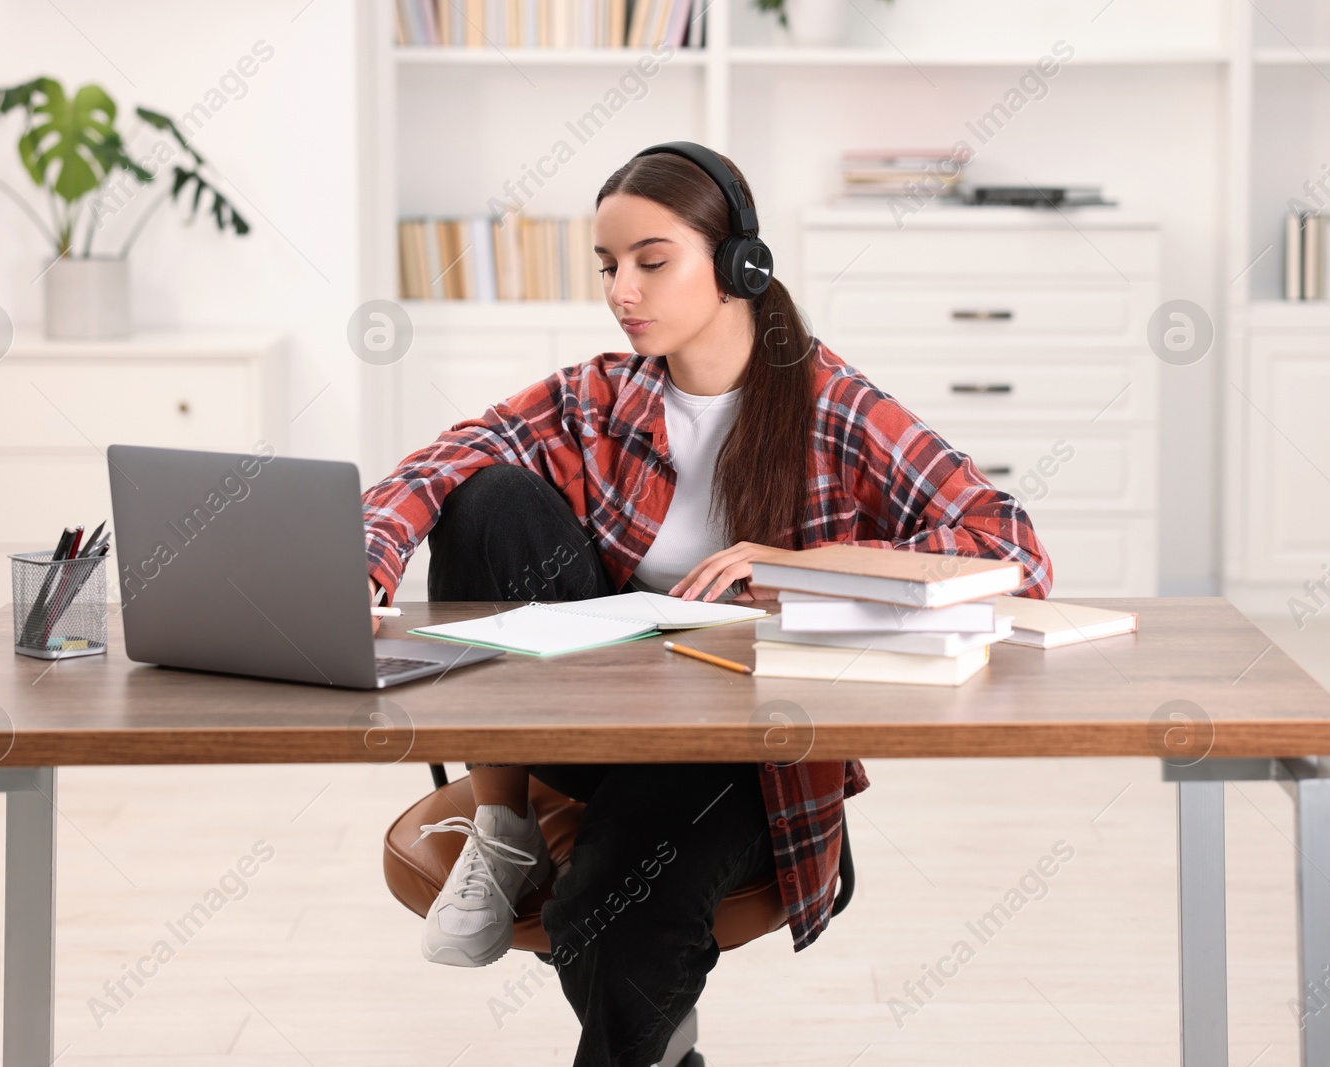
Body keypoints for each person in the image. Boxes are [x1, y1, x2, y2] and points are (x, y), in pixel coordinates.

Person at [360, 142, 1053, 1067]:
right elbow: (444, 457)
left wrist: (799, 565)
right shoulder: (598, 395)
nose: (622, 290)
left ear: (739, 266)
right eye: (609, 267)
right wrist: (370, 558)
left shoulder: (832, 407)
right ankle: (505, 825)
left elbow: (1011, 546)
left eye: (652, 261)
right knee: (485, 494)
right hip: (599, 722)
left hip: (745, 745)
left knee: (607, 902)